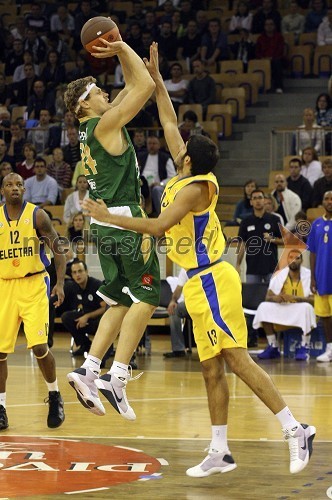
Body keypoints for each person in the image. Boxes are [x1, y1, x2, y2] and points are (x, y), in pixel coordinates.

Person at [82, 42, 316, 476]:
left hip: (214, 279)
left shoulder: (196, 186)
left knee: (236, 359)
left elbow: (154, 227)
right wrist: (154, 78)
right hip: (196, 280)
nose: (179, 144)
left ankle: (295, 427)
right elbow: (168, 117)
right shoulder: (183, 173)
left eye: (185, 146)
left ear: (189, 157)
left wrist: (106, 216)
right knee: (210, 369)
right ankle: (220, 450)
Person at [64, 37, 161, 421]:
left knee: (120, 299)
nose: (105, 92)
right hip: (125, 220)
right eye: (96, 90)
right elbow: (146, 89)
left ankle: (89, 369)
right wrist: (120, 46)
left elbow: (135, 86)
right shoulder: (105, 123)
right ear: (83, 104)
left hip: (102, 224)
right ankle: (116, 376)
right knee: (147, 297)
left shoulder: (91, 129)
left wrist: (137, 63)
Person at [0, 172, 65, 431]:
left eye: (18, 185)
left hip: (34, 283)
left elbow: (58, 249)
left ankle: (54, 395)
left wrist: (60, 283)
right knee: (0, 353)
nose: (14, 188)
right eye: (9, 185)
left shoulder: (37, 216)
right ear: (2, 190)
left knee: (39, 346)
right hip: (5, 286)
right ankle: (1, 408)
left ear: (25, 190)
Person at [254, 249, 316, 360]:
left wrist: (296, 298)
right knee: (263, 307)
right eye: (291, 258)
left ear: (301, 261)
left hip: (300, 309)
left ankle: (304, 346)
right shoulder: (280, 274)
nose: (294, 261)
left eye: (297, 258)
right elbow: (267, 297)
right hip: (284, 308)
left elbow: (314, 300)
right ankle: (273, 346)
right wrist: (275, 298)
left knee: (307, 308)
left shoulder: (309, 275)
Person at [60, 260, 106, 356]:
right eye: (74, 272)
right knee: (66, 317)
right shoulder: (73, 287)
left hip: (99, 319)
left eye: (80, 271)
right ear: (72, 275)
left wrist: (87, 316)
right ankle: (85, 345)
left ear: (86, 272)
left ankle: (101, 352)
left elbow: (105, 308)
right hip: (85, 318)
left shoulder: (96, 285)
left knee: (101, 322)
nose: (78, 275)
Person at [236, 189, 282, 284]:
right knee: (253, 298)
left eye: (260, 198)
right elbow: (242, 245)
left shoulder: (274, 219)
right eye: (255, 198)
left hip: (271, 267)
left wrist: (272, 239)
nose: (257, 200)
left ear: (264, 200)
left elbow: (285, 240)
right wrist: (238, 264)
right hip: (252, 268)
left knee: (272, 297)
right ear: (251, 202)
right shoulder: (245, 222)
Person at [307, 190, 332, 362]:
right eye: (327, 198)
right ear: (322, 202)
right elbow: (313, 253)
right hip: (322, 278)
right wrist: (313, 278)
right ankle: (330, 349)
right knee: (325, 316)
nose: (330, 201)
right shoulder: (316, 224)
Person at [137, 134, 176, 215]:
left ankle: (162, 216)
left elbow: (173, 177)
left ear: (159, 145)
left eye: (154, 144)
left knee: (156, 190)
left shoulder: (165, 158)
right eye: (149, 144)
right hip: (143, 185)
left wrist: (160, 184)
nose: (152, 146)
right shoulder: (141, 156)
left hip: (159, 185)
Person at [164, 268, 189, 358]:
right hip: (191, 303)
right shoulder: (186, 268)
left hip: (207, 303)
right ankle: (178, 349)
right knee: (174, 309)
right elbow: (179, 288)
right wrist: (173, 301)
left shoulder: (211, 265)